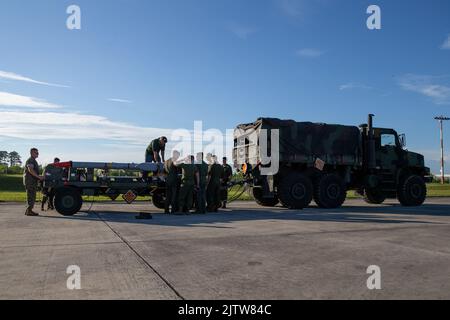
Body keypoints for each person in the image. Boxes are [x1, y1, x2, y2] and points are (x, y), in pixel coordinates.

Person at [23, 148, 43, 216]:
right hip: (30, 181)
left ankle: (29, 210)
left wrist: (39, 176)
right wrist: (39, 177)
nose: (38, 154)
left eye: (38, 153)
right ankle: (29, 211)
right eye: (36, 153)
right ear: (31, 153)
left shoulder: (33, 160)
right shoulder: (31, 160)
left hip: (32, 181)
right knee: (31, 196)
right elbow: (30, 170)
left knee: (32, 196)